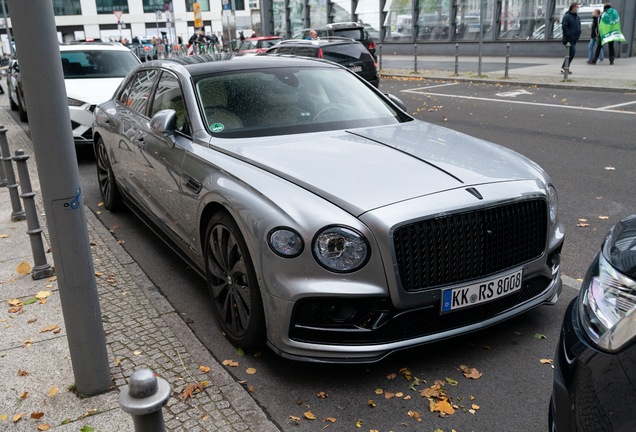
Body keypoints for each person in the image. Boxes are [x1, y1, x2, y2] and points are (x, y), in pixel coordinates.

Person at [561, 2, 580, 74]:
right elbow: (564, 26)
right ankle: (564, 67)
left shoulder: (576, 17)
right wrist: (569, 34)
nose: (578, 9)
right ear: (573, 8)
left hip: (574, 38)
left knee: (570, 54)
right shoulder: (567, 16)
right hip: (569, 39)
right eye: (577, 7)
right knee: (572, 52)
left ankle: (565, 67)